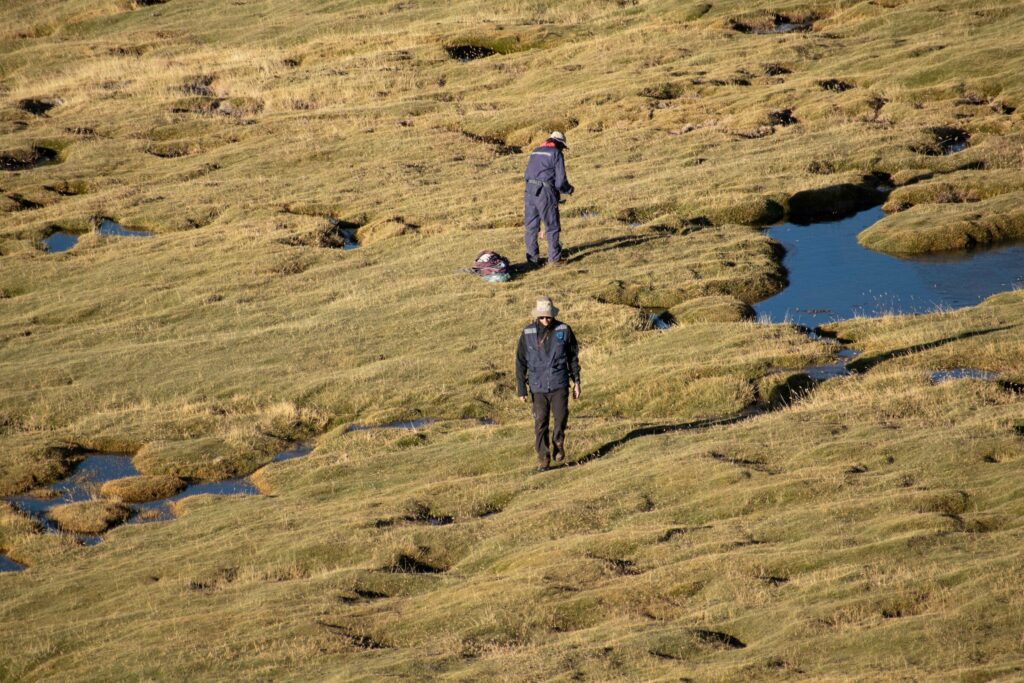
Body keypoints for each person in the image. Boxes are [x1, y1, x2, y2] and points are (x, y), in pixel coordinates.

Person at [515, 296, 581, 472]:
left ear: (553, 315)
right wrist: (522, 389)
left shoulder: (564, 330)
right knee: (540, 423)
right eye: (542, 317)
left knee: (561, 418)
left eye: (548, 317)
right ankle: (543, 458)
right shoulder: (527, 333)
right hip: (537, 387)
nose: (545, 320)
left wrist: (577, 382)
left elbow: (573, 358)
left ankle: (558, 441)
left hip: (559, 383)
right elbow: (520, 361)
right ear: (537, 316)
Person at [523, 131, 574, 268]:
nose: (562, 149)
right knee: (552, 226)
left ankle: (532, 260)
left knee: (531, 227)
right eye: (562, 146)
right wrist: (568, 190)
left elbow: (526, 174)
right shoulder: (556, 154)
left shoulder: (535, 151)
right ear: (558, 144)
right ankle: (555, 259)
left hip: (529, 191)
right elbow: (560, 182)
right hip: (545, 192)